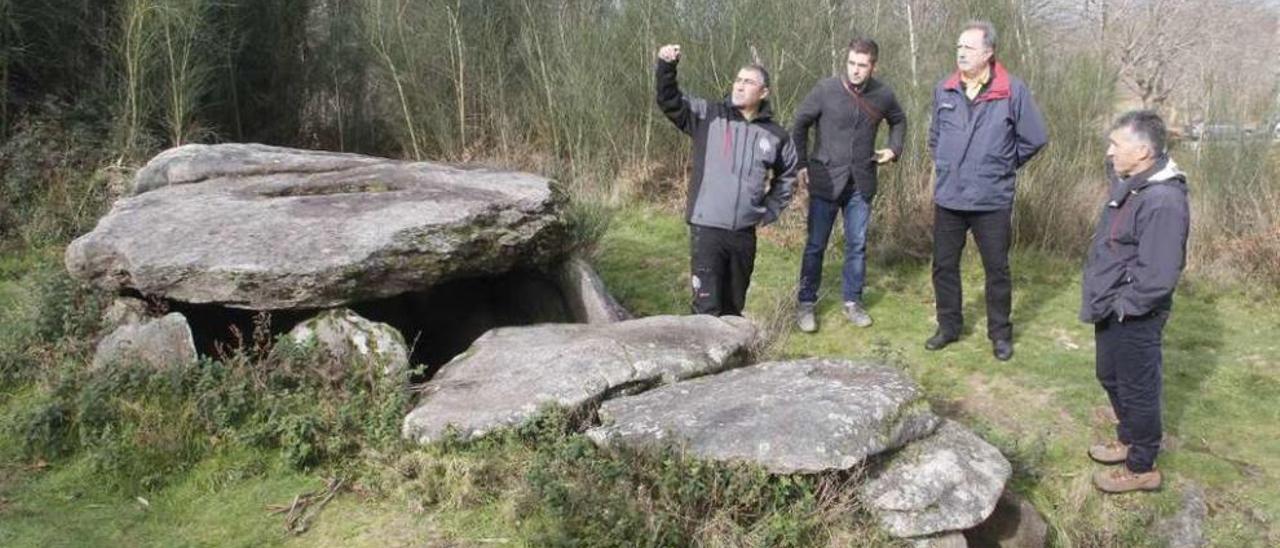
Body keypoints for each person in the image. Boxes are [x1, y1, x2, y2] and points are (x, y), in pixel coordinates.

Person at [925, 20, 1047, 361]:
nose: (961, 53)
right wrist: (947, 163)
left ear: (989, 53)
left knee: (997, 269)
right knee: (944, 266)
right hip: (949, 197)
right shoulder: (944, 89)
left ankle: (1000, 334)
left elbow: (1035, 138)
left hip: (991, 199)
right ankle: (948, 327)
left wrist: (1001, 164)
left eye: (969, 47)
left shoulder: (1013, 91)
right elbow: (935, 136)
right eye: (959, 47)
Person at [1081, 110, 1189, 493]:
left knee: (1137, 389)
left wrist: (1126, 306)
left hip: (1134, 313)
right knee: (1109, 376)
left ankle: (1142, 466)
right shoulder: (1134, 181)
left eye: (1116, 144)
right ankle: (1127, 439)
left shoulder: (1162, 199)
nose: (1109, 152)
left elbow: (1158, 274)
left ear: (1142, 151)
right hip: (1111, 302)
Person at [655, 44, 797, 316]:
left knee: (733, 309)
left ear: (763, 92)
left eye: (748, 82)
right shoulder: (708, 115)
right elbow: (669, 101)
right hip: (707, 230)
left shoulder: (775, 135)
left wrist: (769, 210)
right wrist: (666, 67)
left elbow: (788, 175)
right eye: (738, 80)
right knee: (706, 310)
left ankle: (737, 360)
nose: (739, 86)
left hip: (744, 234)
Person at [791, 37, 907, 333]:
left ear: (873, 66)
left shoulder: (883, 95)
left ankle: (852, 302)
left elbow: (899, 120)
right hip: (826, 180)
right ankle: (805, 302)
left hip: (862, 182)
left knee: (857, 245)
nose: (855, 70)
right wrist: (801, 163)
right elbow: (800, 122)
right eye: (852, 63)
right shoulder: (826, 89)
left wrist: (893, 149)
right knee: (816, 245)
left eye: (862, 65)